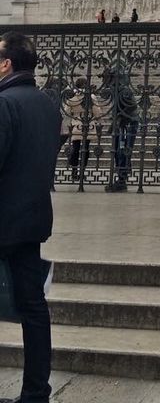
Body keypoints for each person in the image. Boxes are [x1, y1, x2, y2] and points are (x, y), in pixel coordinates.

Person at [0, 32, 61, 403]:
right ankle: (36, 392)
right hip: (32, 218)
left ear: (6, 64)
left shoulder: (4, 103)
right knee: (34, 309)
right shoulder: (47, 105)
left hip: (2, 219)